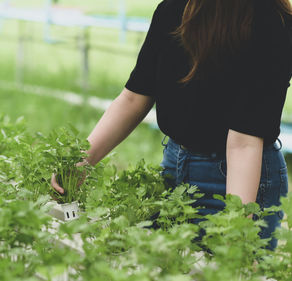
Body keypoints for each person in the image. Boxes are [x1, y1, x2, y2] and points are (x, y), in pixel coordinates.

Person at [52, 0, 292, 250]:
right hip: (175, 164)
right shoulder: (174, 9)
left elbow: (244, 142)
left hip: (240, 180)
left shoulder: (272, 22)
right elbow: (135, 97)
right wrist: (81, 160)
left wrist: (236, 231)